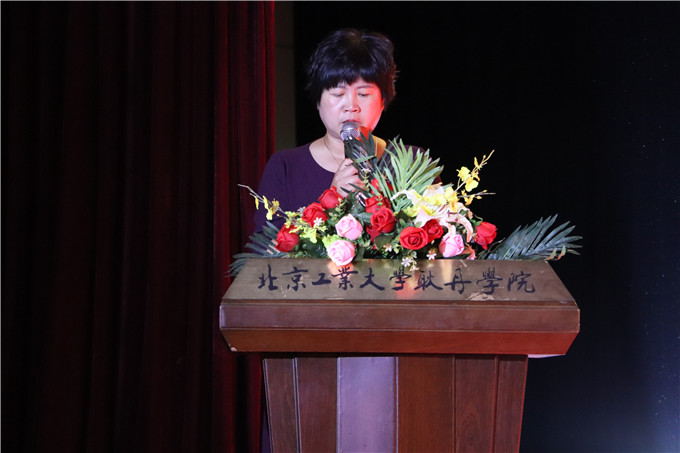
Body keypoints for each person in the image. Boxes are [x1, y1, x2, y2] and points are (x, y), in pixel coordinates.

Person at [253, 28, 398, 235]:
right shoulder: (285, 167)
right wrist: (331, 202)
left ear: (383, 101)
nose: (351, 106)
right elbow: (265, 248)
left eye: (364, 94)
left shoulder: (412, 163)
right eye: (338, 94)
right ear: (318, 101)